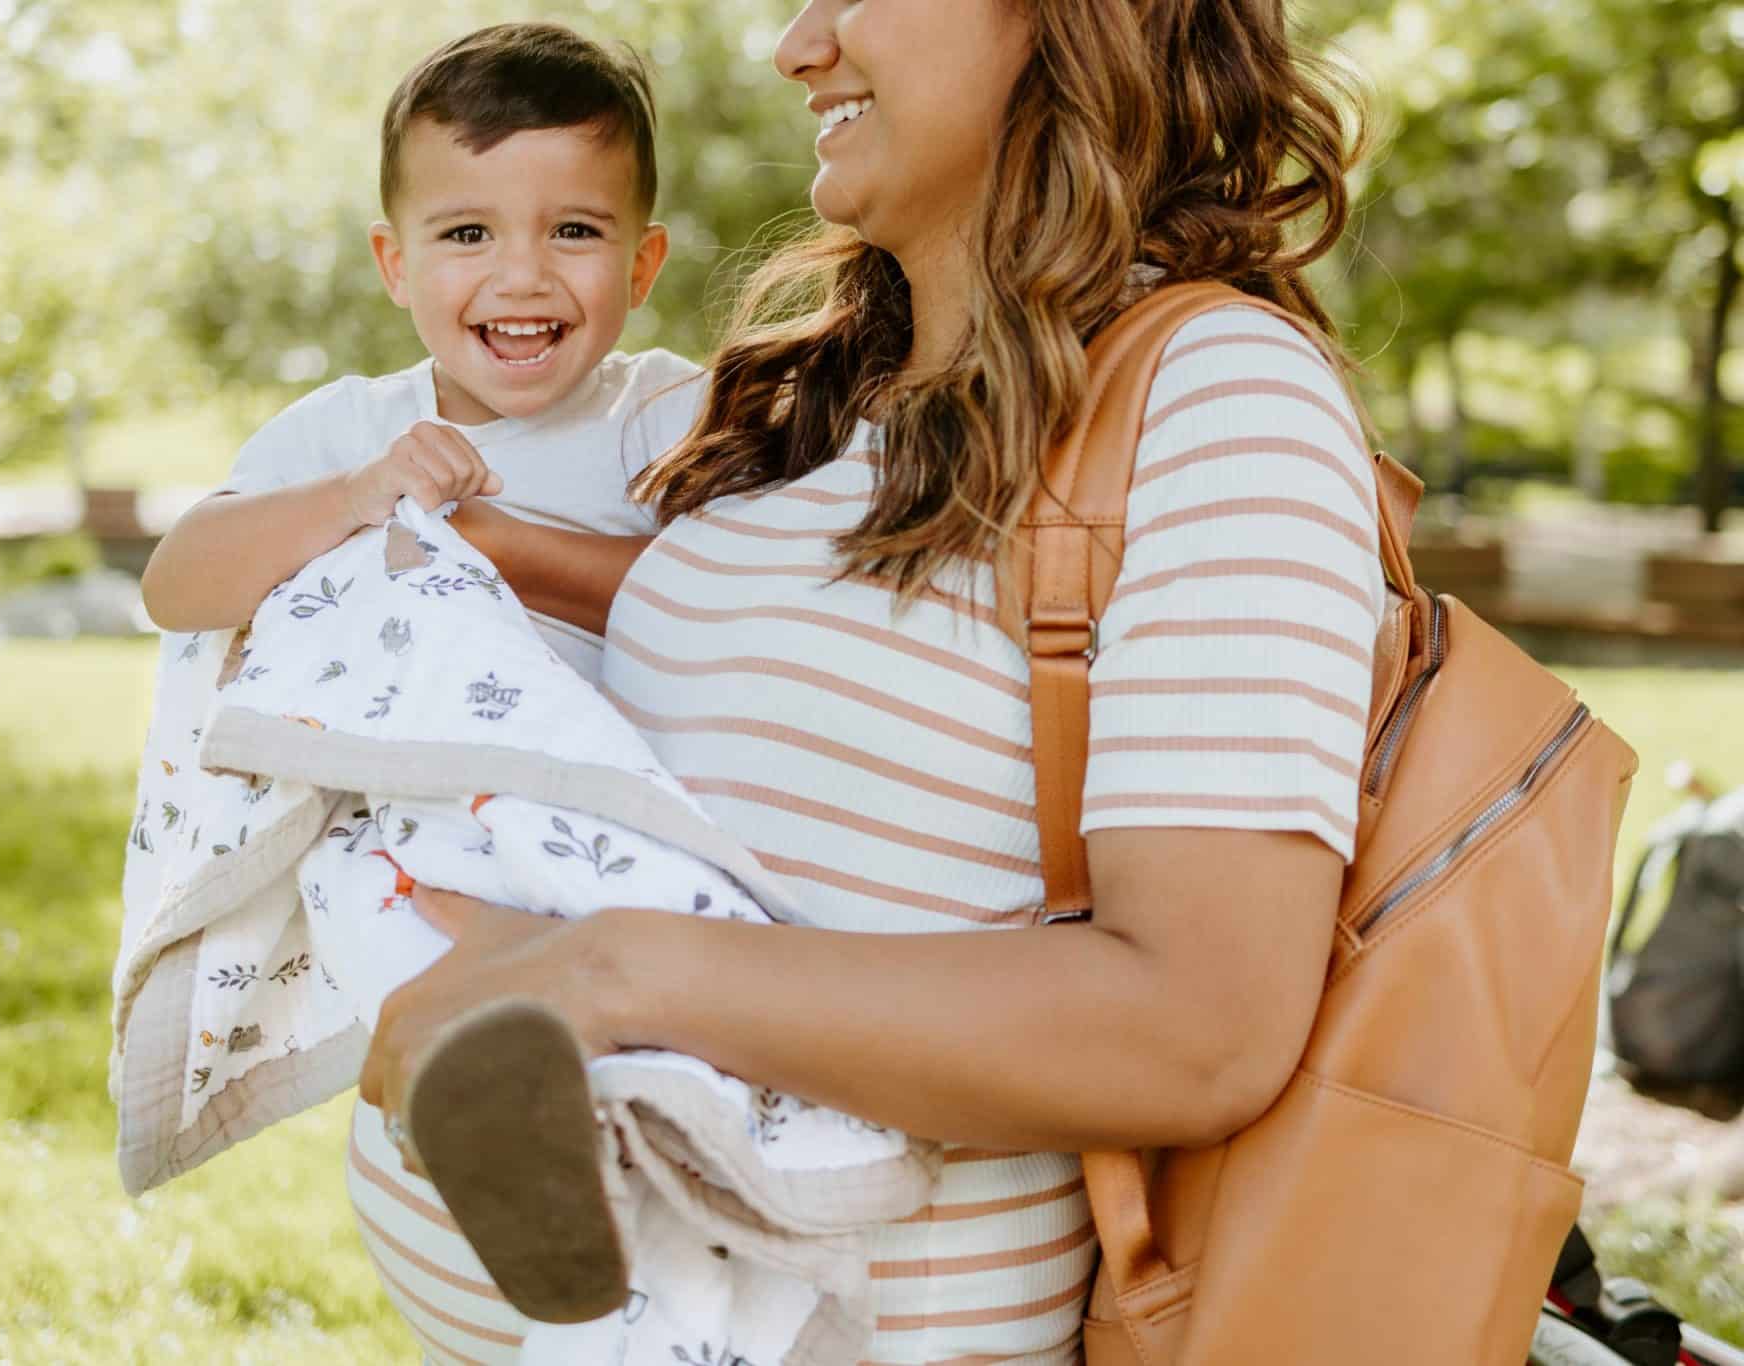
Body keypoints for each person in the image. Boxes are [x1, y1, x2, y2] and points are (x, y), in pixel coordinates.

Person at [362, 0, 1384, 1359]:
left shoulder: (1220, 395)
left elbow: (1199, 1024)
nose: (797, 44)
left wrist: (603, 972)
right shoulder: (829, 397)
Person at [139, 23, 696, 685]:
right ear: (396, 265)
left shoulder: (669, 417)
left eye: (573, 231)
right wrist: (351, 500)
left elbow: (737, 602)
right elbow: (173, 589)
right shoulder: (353, 432)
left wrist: (487, 543)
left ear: (642, 265)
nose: (521, 277)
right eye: (468, 233)